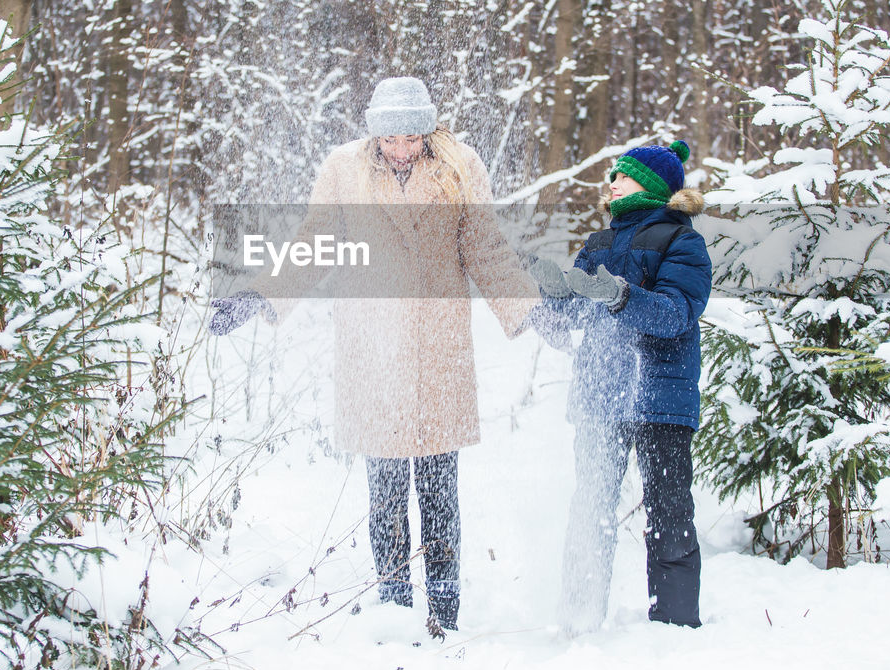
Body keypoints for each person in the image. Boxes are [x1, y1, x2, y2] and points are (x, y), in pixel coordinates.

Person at [209, 76, 568, 634]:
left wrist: (530, 309)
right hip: (372, 351)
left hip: (438, 349)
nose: (402, 149)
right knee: (385, 495)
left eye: (412, 138)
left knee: (439, 493)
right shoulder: (344, 169)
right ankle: (396, 610)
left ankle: (444, 617)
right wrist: (259, 293)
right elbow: (314, 242)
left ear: (428, 130)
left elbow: (486, 247)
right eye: (391, 140)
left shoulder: (459, 166)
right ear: (374, 134)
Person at [531, 139, 711, 634]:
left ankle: (674, 627)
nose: (612, 183)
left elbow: (675, 314)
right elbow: (568, 317)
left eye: (623, 176)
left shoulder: (683, 243)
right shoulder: (599, 244)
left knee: (669, 512)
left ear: (651, 185)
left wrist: (620, 296)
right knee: (590, 504)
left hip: (661, 396)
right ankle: (578, 616)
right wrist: (543, 297)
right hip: (600, 395)